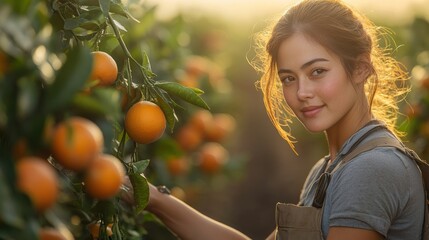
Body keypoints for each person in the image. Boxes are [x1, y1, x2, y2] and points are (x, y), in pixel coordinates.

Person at [124, 0, 426, 239]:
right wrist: (153, 198)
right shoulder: (328, 169)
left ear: (360, 69)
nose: (302, 92)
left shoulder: (371, 169)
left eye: (317, 71)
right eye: (288, 78)